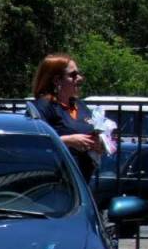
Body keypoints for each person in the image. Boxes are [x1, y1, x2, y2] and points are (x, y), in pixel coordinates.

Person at [31, 53, 101, 181]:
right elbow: (34, 143)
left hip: (83, 183)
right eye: (73, 75)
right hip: (55, 182)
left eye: (79, 74)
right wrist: (68, 140)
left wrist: (100, 144)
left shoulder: (80, 106)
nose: (79, 78)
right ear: (57, 80)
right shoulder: (43, 107)